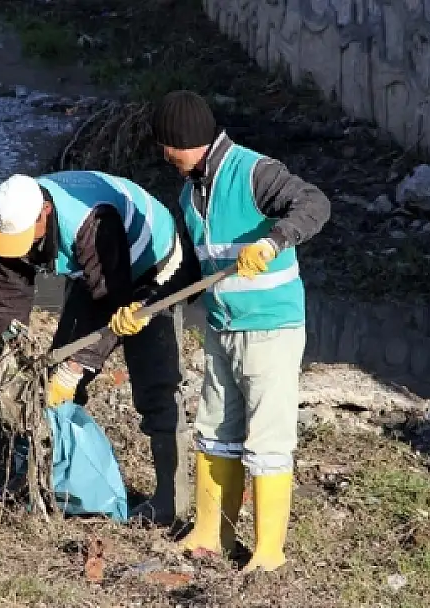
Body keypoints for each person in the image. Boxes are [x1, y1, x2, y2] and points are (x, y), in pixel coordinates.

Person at [132, 89, 331, 572]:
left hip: (270, 327)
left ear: (187, 141)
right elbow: (194, 274)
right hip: (222, 327)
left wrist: (271, 241)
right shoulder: (189, 192)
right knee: (214, 432)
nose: (163, 155)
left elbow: (314, 204)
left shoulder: (254, 172)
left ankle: (267, 552)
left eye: (166, 146)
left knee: (267, 440)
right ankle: (210, 533)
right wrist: (144, 307)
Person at [0, 169, 200, 527]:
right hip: (97, 271)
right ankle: (53, 480)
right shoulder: (14, 215)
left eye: (25, 237)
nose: (18, 247)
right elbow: (7, 296)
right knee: (50, 382)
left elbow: (108, 303)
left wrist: (73, 369)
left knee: (155, 385)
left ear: (46, 214)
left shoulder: (92, 222)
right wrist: (13, 355)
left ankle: (170, 505)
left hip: (153, 267)